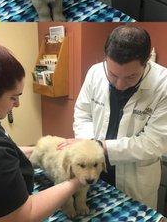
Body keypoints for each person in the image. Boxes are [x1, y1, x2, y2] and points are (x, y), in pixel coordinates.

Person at [0, 42, 83, 222]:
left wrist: (46, 149)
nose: (17, 104)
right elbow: (23, 215)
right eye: (14, 97)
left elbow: (6, 154)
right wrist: (77, 181)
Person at [61, 25, 167, 209]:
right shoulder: (95, 72)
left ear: (147, 60)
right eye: (113, 74)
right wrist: (89, 145)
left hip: (135, 182)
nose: (119, 84)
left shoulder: (163, 85)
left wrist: (102, 147)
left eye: (131, 76)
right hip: (95, 173)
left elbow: (154, 142)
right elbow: (83, 114)